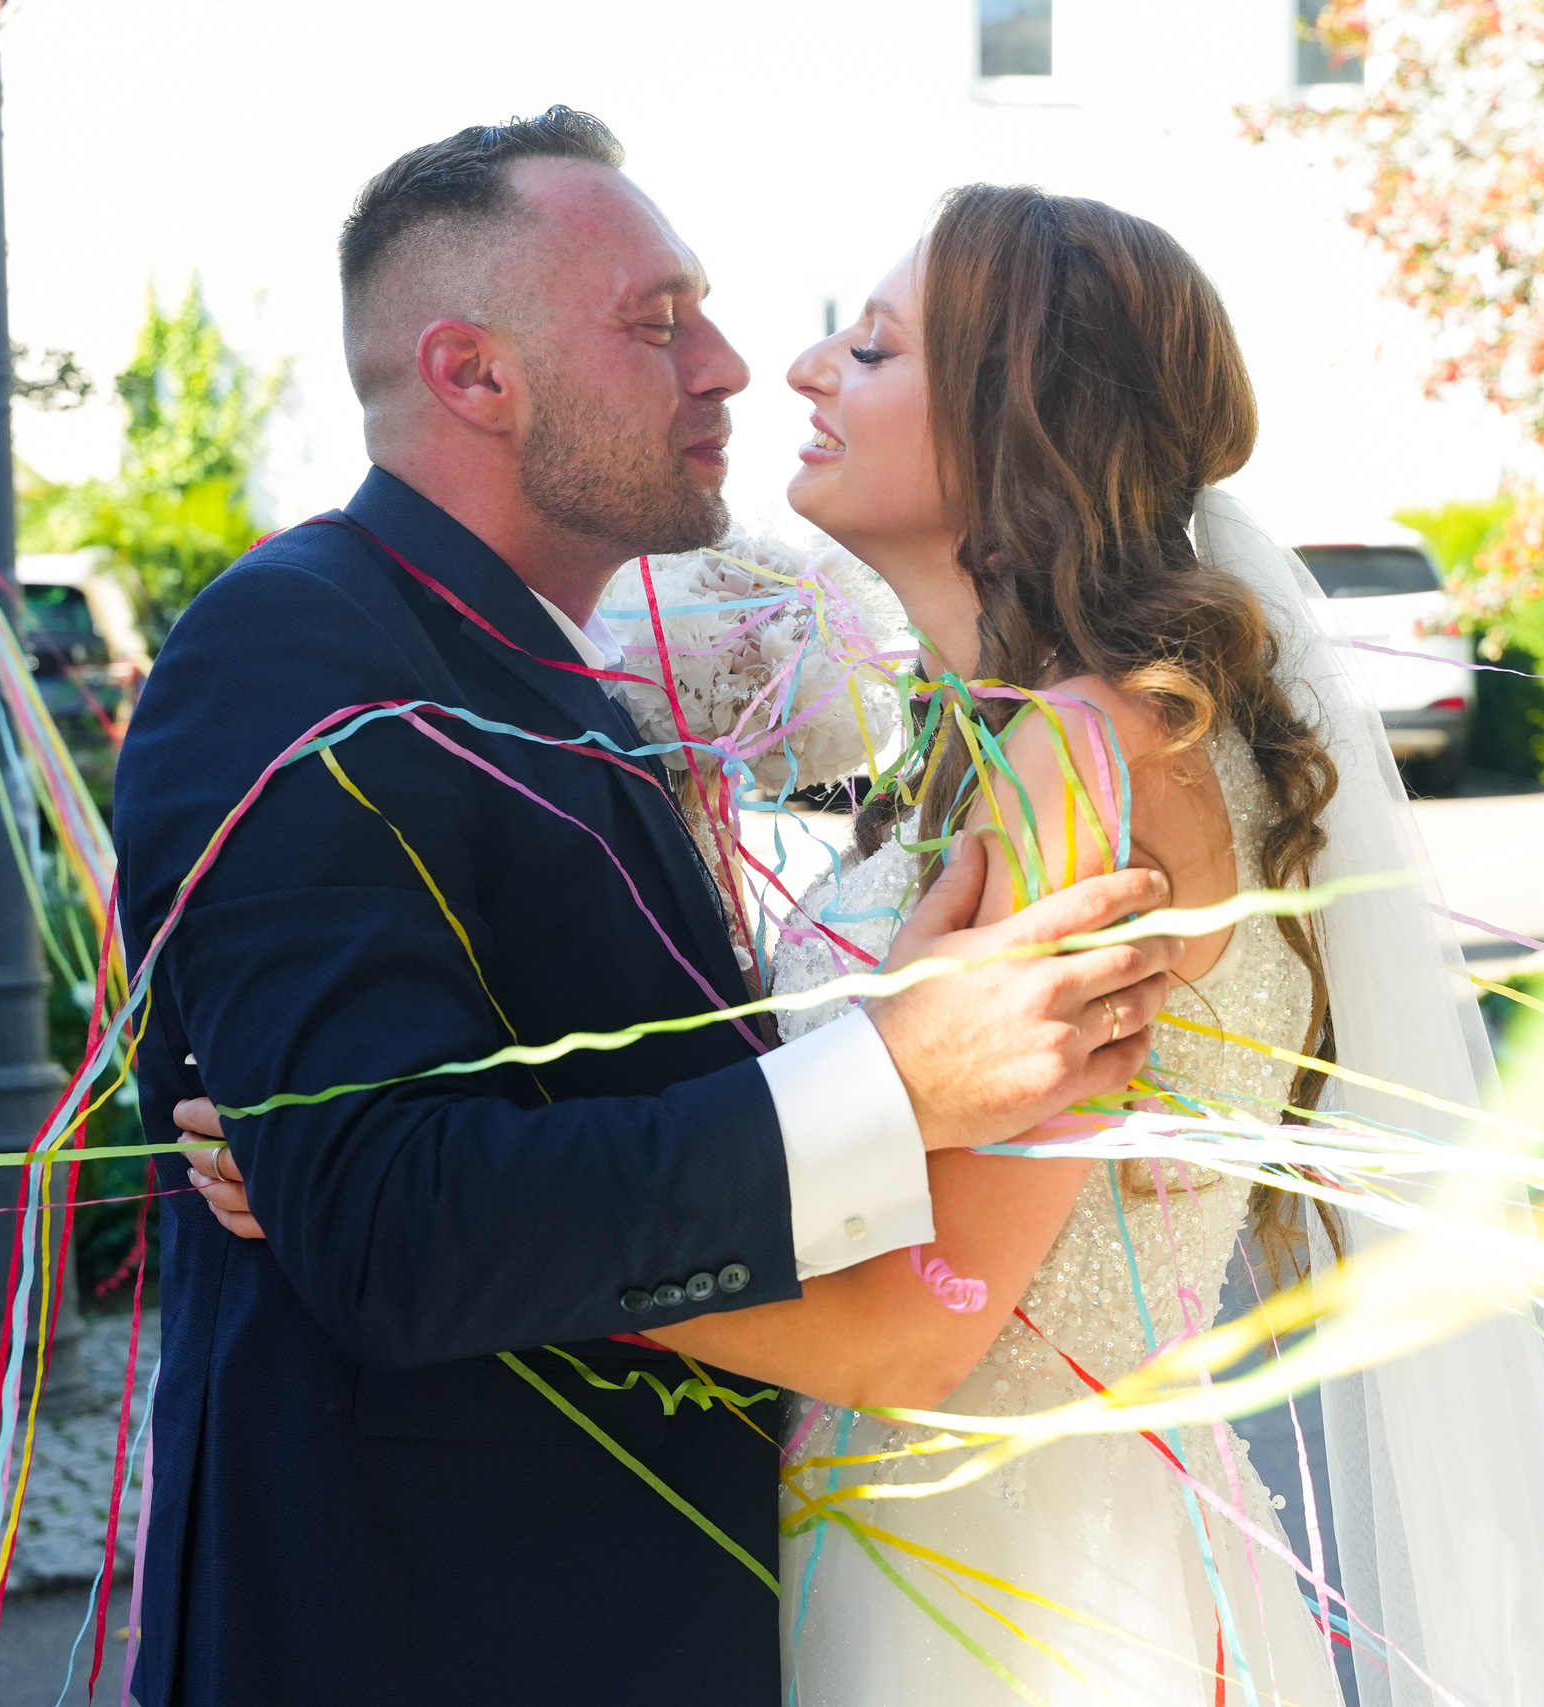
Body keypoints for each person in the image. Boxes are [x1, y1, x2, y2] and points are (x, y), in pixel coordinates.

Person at [187, 179, 1544, 1706]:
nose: (801, 369)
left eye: (875, 352)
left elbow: (912, 1330)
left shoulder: (1086, 760)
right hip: (967, 1553)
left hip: (1002, 1606)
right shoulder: (1018, 744)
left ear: (1020, 426)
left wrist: (414, 1238)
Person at [109, 110, 1189, 1705]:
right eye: (657, 321)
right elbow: (389, 1229)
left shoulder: (562, 675)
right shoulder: (299, 648)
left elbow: (452, 1161)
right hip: (418, 1636)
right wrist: (889, 1080)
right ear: (475, 375)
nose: (737, 365)